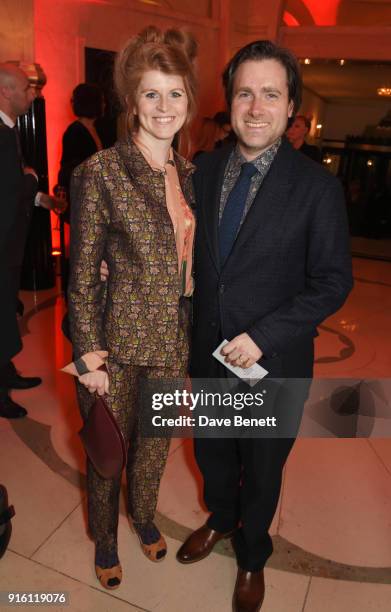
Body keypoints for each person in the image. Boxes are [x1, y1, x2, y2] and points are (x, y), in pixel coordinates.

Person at [176, 40, 353, 611]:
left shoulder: (317, 187)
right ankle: (221, 519)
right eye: (244, 92)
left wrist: (265, 335)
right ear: (228, 101)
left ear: (291, 106)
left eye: (270, 94)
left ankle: (253, 555)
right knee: (212, 454)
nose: (255, 107)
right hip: (207, 357)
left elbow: (332, 281)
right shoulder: (200, 170)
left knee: (263, 463)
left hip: (272, 365)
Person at [67, 26, 197, 590]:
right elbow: (82, 274)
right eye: (152, 93)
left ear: (189, 100)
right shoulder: (99, 174)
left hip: (172, 341)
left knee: (154, 450)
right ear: (131, 102)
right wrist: (88, 356)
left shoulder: (190, 175)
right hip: (114, 348)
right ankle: (105, 538)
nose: (164, 107)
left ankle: (143, 517)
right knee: (107, 454)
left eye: (175, 93)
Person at [0, 63, 65, 419]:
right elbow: (8, 190)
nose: (34, 94)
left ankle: (6, 372)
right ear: (7, 91)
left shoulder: (9, 130)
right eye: (27, 88)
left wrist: (39, 196)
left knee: (5, 311)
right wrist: (30, 179)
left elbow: (16, 188)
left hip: (10, 244)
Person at [58, 83, 105, 223]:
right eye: (101, 101)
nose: (104, 104)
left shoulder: (100, 128)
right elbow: (71, 168)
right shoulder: (74, 131)